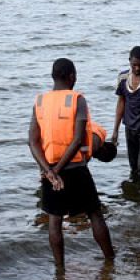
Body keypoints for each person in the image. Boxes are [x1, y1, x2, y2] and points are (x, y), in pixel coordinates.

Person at [28, 58, 114, 268]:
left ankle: (60, 270)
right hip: (75, 168)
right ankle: (110, 260)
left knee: (55, 220)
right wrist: (57, 170)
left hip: (50, 170)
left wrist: (49, 171)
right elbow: (77, 140)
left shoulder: (40, 101)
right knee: (94, 214)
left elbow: (32, 141)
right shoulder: (77, 99)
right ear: (72, 77)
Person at [112, 47, 140, 183]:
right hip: (130, 127)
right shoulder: (123, 78)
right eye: (134, 65)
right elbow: (121, 102)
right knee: (133, 164)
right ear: (129, 62)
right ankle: (135, 192)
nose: (137, 68)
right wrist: (115, 130)